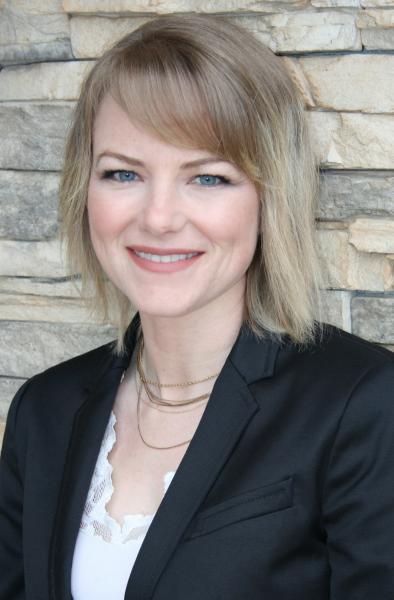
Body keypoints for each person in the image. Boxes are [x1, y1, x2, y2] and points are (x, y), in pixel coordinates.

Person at [0, 14, 393, 600]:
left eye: (207, 178)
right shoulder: (43, 410)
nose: (158, 218)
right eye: (123, 172)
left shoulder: (361, 403)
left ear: (269, 197)